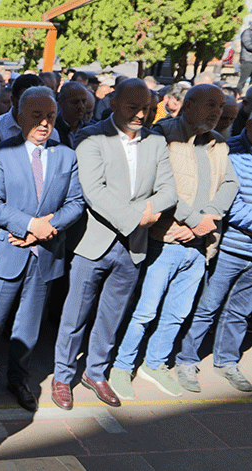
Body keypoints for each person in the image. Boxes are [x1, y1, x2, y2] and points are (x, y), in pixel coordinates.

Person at [52, 79, 178, 410]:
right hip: (94, 242)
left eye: (148, 108)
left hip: (132, 246)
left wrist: (149, 213)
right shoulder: (91, 137)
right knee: (75, 315)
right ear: (112, 103)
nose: (141, 114)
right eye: (132, 107)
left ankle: (95, 373)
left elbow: (168, 189)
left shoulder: (156, 141)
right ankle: (62, 376)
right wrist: (140, 216)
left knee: (112, 316)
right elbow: (94, 190)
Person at [109, 84, 238, 399]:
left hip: (198, 247)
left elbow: (230, 185)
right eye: (210, 104)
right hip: (163, 241)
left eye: (220, 107)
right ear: (188, 104)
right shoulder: (162, 135)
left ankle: (155, 364)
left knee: (177, 314)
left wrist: (205, 220)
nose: (216, 112)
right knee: (144, 312)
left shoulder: (219, 145)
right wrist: (195, 221)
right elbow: (158, 187)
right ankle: (122, 367)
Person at [0, 87, 85, 412]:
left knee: (29, 327)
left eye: (50, 116)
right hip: (6, 253)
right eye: (36, 115)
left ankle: (18, 380)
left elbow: (76, 203)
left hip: (45, 256)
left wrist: (48, 228)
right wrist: (31, 226)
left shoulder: (66, 155)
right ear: (19, 117)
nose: (44, 123)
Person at [175, 112, 252, 394]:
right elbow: (228, 200)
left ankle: (227, 361)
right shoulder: (229, 150)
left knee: (241, 311)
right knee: (208, 305)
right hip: (232, 246)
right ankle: (186, 359)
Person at [0, 74, 60, 142]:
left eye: (37, 101)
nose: (33, 106)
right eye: (26, 101)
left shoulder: (51, 133)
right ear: (13, 100)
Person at [55, 82, 90, 148]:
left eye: (84, 101)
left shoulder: (91, 128)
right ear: (61, 102)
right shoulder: (52, 130)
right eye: (75, 102)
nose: (81, 106)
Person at [237, 25, 252, 90]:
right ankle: (237, 95)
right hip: (248, 60)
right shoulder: (247, 32)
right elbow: (248, 45)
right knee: (242, 81)